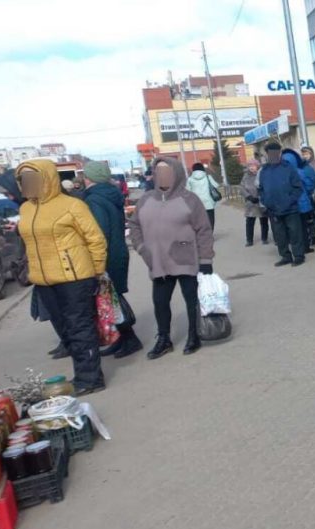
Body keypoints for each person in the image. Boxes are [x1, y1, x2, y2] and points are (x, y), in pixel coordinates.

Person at [15, 159, 108, 396]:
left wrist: (96, 271)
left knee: (80, 327)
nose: (27, 184)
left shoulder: (72, 206)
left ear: (46, 179)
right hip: (45, 280)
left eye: (31, 178)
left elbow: (95, 239)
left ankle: (90, 378)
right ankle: (83, 371)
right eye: (22, 180)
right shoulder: (26, 209)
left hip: (75, 277)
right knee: (65, 329)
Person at [129, 157, 215, 359]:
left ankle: (194, 335)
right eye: (159, 172)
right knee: (160, 302)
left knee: (192, 300)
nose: (163, 176)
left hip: (186, 258)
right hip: (157, 260)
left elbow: (203, 230)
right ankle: (164, 339)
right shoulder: (146, 199)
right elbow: (134, 225)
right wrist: (142, 247)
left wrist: (206, 260)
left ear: (176, 173)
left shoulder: (189, 199)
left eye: (167, 172)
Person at [82, 161, 143, 359]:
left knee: (110, 299)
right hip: (117, 250)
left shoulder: (94, 199)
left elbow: (99, 232)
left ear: (89, 178)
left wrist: (95, 260)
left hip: (106, 254)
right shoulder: (110, 194)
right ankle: (121, 339)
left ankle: (130, 339)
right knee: (112, 296)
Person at [258, 142, 307, 267]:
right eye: (270, 153)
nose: (273, 155)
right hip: (273, 209)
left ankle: (298, 256)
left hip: (290, 208)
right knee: (279, 235)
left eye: (276, 153)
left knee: (295, 233)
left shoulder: (288, 168)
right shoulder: (264, 171)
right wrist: (266, 201)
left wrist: (290, 201)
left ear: (279, 154)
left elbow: (298, 187)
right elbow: (261, 189)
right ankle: (285, 256)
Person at [282, 148, 315, 253]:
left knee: (292, 228)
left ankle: (296, 249)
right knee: (303, 226)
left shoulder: (281, 173)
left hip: (288, 204)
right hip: (302, 203)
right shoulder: (300, 172)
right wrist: (307, 193)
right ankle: (306, 247)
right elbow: (309, 185)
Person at [241, 159, 269, 246]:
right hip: (250, 202)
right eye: (250, 166)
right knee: (249, 221)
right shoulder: (245, 176)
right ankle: (249, 240)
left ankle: (264, 238)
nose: (252, 168)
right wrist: (248, 196)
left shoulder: (262, 174)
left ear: (257, 166)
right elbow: (241, 188)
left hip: (261, 201)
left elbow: (266, 186)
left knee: (264, 220)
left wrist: (262, 196)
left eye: (253, 165)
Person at [186, 163, 218, 230]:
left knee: (198, 220)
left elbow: (188, 191)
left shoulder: (190, 179)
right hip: (208, 202)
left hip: (196, 203)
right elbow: (216, 185)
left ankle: (201, 233)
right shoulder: (208, 177)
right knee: (210, 219)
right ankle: (210, 233)